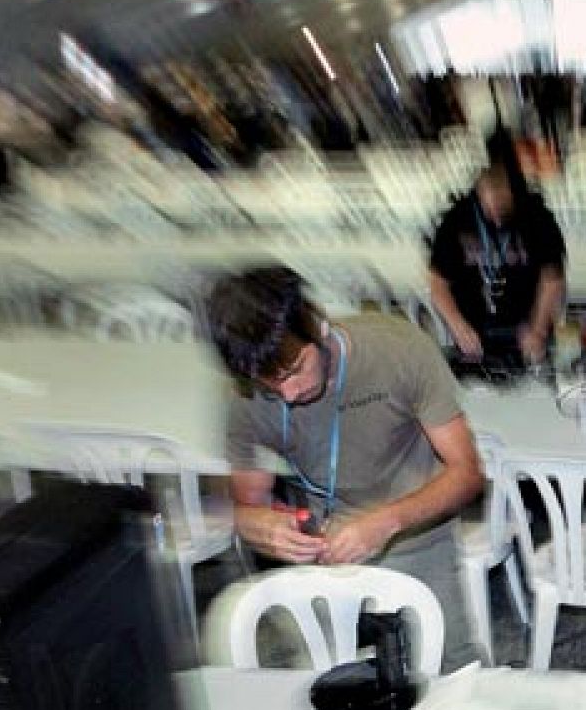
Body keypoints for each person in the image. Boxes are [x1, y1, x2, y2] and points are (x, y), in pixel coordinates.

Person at [205, 266, 485, 669]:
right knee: (323, 680)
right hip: (323, 549)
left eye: (295, 370)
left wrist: (385, 523)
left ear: (317, 326)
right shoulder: (248, 389)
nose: (288, 393)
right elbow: (247, 506)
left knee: (452, 670)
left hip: (413, 534)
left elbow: (467, 473)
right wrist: (261, 528)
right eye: (270, 385)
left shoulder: (399, 351)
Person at [428, 131, 566, 369]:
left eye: (502, 207)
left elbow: (552, 278)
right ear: (479, 194)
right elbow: (437, 282)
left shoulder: (537, 217)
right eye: (489, 208)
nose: (496, 216)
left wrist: (538, 328)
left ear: (514, 195)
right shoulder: (456, 219)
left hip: (526, 331)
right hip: (472, 333)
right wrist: (458, 326)